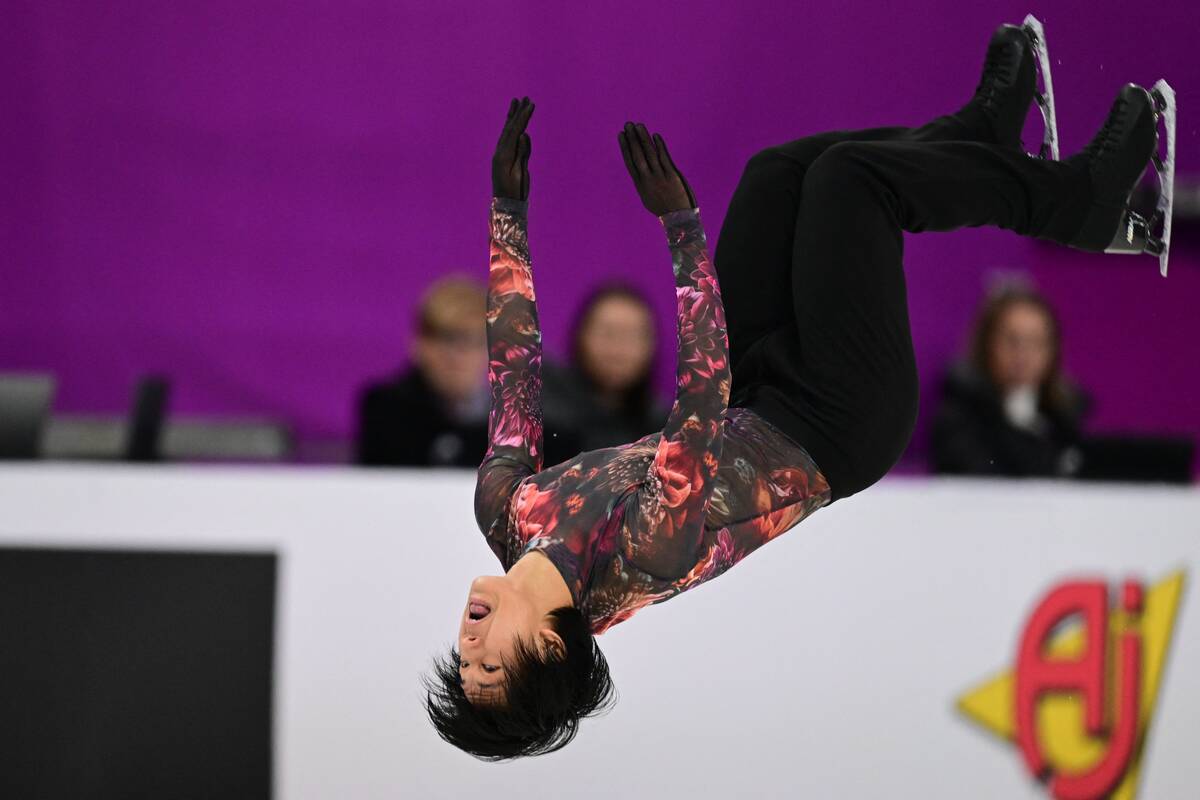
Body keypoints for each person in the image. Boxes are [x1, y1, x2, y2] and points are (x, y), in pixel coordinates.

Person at [424, 21, 1173, 760]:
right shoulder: (640, 559)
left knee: (777, 176)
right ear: (552, 647)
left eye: (463, 666)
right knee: (853, 183)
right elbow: (697, 404)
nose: (469, 646)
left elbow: (514, 372)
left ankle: (977, 137)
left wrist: (507, 213)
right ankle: (1079, 203)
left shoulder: (505, 512)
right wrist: (681, 228)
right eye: (492, 668)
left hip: (757, 390)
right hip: (835, 422)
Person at [931, 281, 1091, 477]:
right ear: (987, 345)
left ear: (1053, 350)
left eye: (1036, 342)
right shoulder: (959, 419)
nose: (1023, 354)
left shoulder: (1065, 420)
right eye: (1012, 340)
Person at [356, 276, 489, 467]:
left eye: (471, 341)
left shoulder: (515, 424)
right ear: (419, 345)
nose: (456, 356)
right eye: (446, 340)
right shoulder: (385, 410)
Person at [540, 283, 668, 463]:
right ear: (580, 336)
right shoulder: (542, 416)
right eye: (607, 333)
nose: (617, 349)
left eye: (631, 336)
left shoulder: (667, 430)